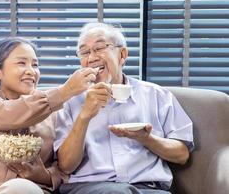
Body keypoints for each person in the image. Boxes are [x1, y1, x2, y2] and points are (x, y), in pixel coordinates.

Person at [0, 37, 98, 194]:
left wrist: (45, 176)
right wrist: (66, 91)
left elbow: (63, 168)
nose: (31, 71)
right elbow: (8, 114)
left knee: (22, 188)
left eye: (35, 65)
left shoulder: (53, 113)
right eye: (21, 63)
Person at [54, 22, 194, 194]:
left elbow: (182, 155)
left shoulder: (157, 95)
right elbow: (66, 166)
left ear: (122, 55)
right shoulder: (71, 102)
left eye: (99, 48)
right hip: (90, 188)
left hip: (149, 189)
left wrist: (146, 139)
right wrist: (84, 116)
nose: (91, 58)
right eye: (84, 52)